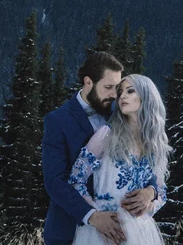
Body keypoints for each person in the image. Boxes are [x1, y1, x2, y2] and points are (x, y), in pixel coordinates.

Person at [42, 52, 158, 245]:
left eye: (118, 88)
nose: (115, 95)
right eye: (108, 87)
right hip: (71, 230)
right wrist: (94, 217)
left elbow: (142, 161)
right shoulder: (58, 121)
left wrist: (150, 191)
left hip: (124, 231)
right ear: (88, 82)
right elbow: (54, 181)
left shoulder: (121, 113)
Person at [69, 74, 172, 245]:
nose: (122, 96)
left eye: (130, 91)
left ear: (147, 95)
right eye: (120, 92)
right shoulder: (106, 135)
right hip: (106, 229)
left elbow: (162, 190)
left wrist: (150, 197)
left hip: (141, 232)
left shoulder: (155, 143)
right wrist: (95, 215)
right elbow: (75, 180)